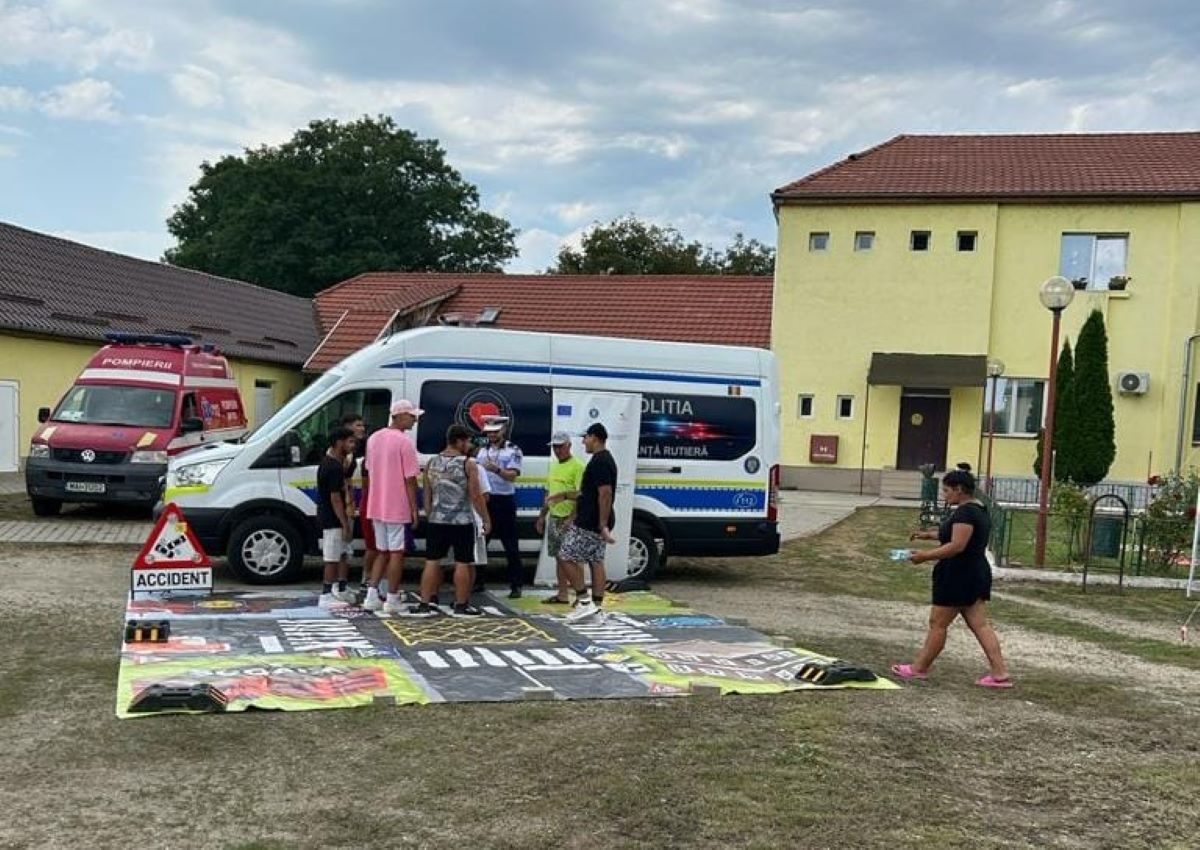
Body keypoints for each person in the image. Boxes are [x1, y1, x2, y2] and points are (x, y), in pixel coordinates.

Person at [892, 467, 1012, 688]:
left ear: (959, 489)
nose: (944, 495)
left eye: (947, 490)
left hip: (959, 575)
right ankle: (1000, 673)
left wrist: (924, 556)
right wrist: (928, 535)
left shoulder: (965, 513)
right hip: (975, 572)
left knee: (938, 623)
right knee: (980, 625)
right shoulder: (978, 509)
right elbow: (954, 534)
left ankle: (919, 668)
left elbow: (957, 545)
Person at [405, 424, 490, 617]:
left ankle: (425, 602)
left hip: (437, 520)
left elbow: (427, 493)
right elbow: (475, 495)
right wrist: (485, 519)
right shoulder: (468, 464)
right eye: (468, 441)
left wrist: (430, 514)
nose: (469, 445)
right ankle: (461, 603)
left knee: (432, 561)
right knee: (463, 562)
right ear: (459, 441)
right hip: (462, 521)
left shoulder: (432, 462)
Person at [362, 399, 423, 614]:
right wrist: (414, 508)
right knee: (397, 553)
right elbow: (410, 479)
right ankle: (392, 597)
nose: (415, 420)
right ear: (400, 416)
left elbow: (369, 469)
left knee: (382, 552)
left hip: (376, 503)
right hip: (397, 505)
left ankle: (372, 595)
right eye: (412, 416)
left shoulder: (373, 438)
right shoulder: (404, 442)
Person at [559, 422, 618, 622]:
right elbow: (588, 493)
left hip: (590, 520)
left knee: (565, 556)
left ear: (595, 438)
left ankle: (584, 601)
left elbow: (605, 493)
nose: (583, 441)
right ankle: (597, 608)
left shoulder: (600, 461)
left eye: (585, 437)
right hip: (593, 518)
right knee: (596, 560)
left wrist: (602, 524)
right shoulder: (603, 459)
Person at [536, 431, 585, 605]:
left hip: (569, 519)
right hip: (555, 517)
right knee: (559, 558)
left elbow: (581, 495)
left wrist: (572, 518)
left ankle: (581, 597)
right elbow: (548, 493)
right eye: (555, 447)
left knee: (574, 559)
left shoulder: (578, 466)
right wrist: (542, 516)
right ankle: (562, 594)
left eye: (560, 446)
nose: (557, 450)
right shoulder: (554, 465)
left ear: (569, 446)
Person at [480, 417, 524, 598]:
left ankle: (516, 585)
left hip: (504, 501)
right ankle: (477, 582)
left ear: (503, 431)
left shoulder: (513, 450)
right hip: (486, 501)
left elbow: (513, 476)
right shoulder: (482, 450)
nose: (491, 435)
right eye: (489, 432)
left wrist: (497, 470)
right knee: (481, 544)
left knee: (511, 546)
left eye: (495, 431)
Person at [317, 426, 358, 608]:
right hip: (332, 518)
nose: (353, 445)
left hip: (337, 517)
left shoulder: (338, 463)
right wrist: (344, 524)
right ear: (339, 442)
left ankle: (341, 588)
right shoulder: (332, 467)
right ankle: (326, 594)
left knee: (342, 553)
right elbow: (335, 498)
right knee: (332, 556)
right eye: (350, 442)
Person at [341, 412, 375, 591]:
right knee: (344, 545)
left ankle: (362, 579)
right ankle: (342, 583)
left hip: (356, 500)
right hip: (351, 501)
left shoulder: (364, 448)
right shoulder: (343, 453)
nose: (362, 429)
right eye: (358, 425)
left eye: (362, 425)